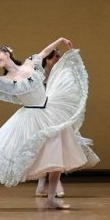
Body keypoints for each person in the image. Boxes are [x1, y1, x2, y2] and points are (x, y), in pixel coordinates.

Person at [0, 38, 99, 210]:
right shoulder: (1, 81)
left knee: (56, 157)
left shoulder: (30, 64)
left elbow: (45, 51)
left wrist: (60, 40)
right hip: (30, 117)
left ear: (7, 53)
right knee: (12, 152)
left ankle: (51, 198)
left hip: (51, 111)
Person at [36, 49, 65, 197]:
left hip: (55, 114)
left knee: (52, 147)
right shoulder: (38, 76)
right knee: (46, 147)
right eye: (56, 57)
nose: (59, 59)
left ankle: (43, 186)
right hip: (41, 115)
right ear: (47, 59)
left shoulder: (60, 75)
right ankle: (46, 186)